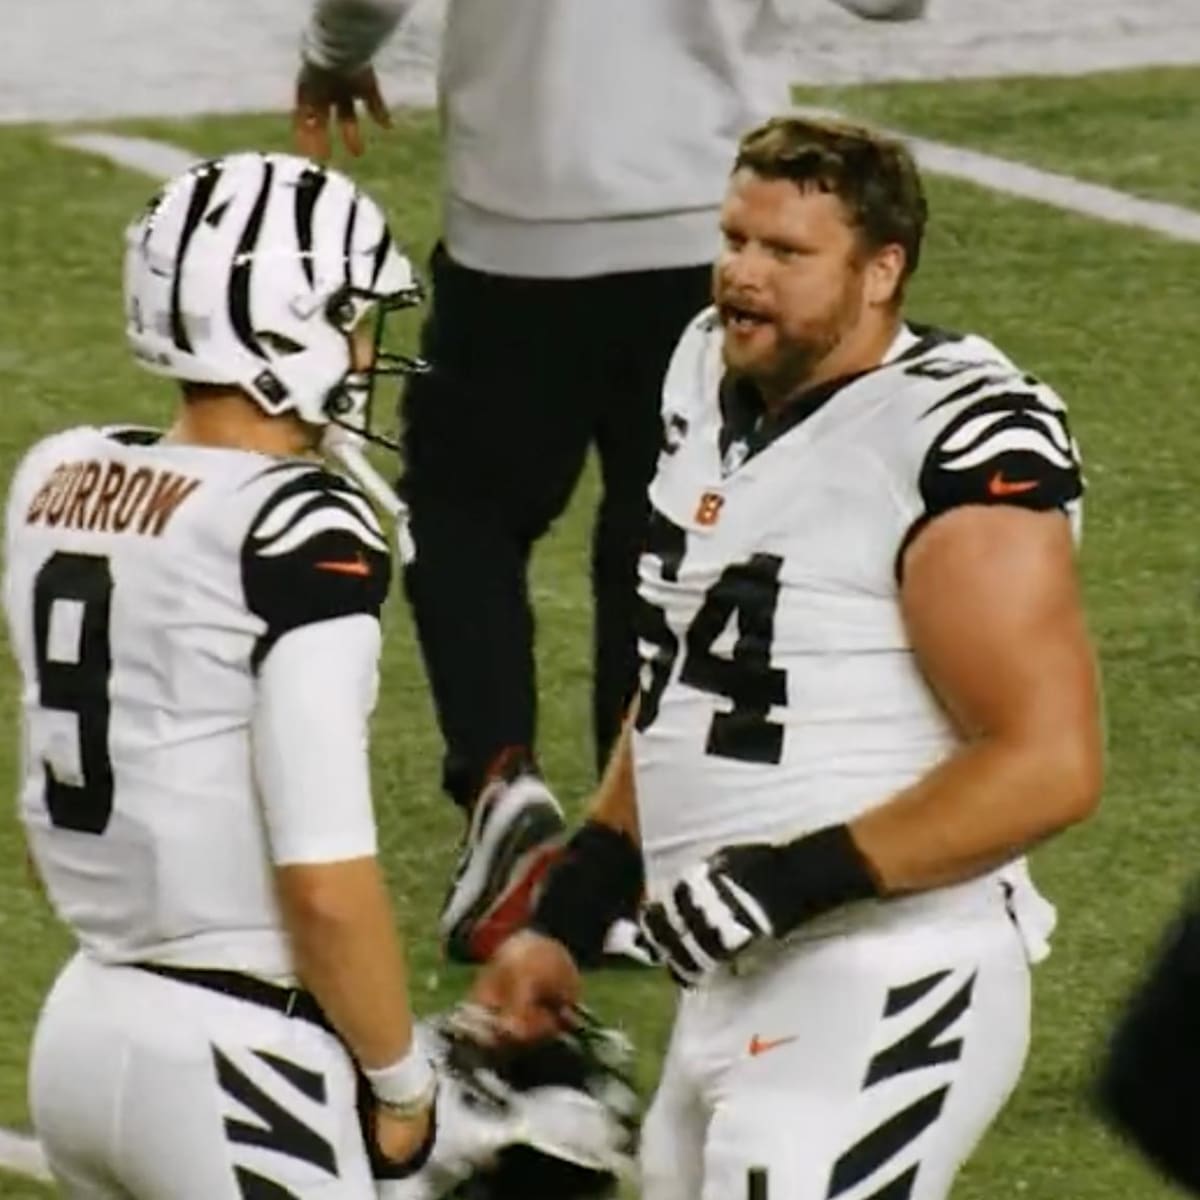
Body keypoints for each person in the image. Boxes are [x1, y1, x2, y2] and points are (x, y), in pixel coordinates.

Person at [473, 115, 1105, 1199]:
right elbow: (682, 682)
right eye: (734, 240)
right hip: (730, 981)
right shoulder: (701, 377)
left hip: (889, 968)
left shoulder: (953, 443)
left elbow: (1050, 762)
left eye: (786, 253)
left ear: (881, 271)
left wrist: (785, 881)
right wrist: (569, 915)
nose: (742, 277)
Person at [291, 0, 930, 965]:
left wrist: (332, 55)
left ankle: (503, 784)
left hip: (517, 222)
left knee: (463, 508)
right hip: (722, 221)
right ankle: (628, 849)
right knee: (664, 532)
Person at [3, 151, 439, 1198]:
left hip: (83, 1019)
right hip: (237, 1053)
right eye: (350, 314)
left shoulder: (58, 477)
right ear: (293, 326)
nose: (366, 345)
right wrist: (403, 1083)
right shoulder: (298, 527)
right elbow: (325, 881)